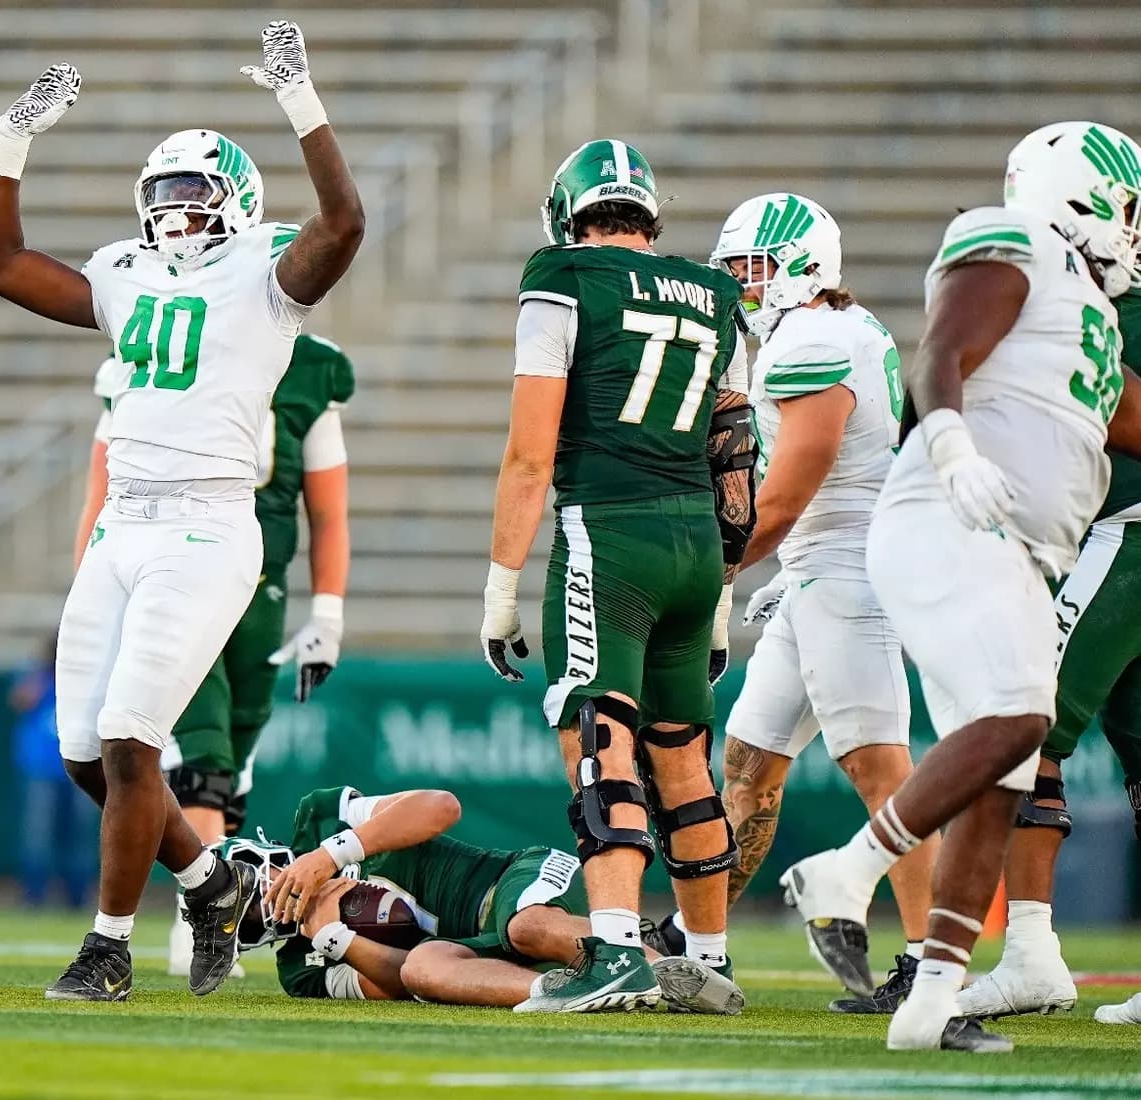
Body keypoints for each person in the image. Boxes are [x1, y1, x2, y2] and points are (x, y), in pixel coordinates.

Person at [0, 21, 363, 1000]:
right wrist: (10, 138)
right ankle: (208, 876)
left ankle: (108, 946)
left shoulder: (268, 275)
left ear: (234, 202)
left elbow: (344, 225)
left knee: (131, 736)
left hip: (208, 523)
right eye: (164, 195)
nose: (176, 212)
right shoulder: (122, 273)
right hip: (123, 525)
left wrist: (299, 104)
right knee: (83, 757)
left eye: (193, 194)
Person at [781, 121, 1141, 1053]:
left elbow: (1132, 415)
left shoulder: (1093, 317)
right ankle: (846, 872)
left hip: (1019, 551)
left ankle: (931, 1002)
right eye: (1128, 205)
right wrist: (948, 445)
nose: (1134, 228)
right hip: (954, 517)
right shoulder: (1013, 239)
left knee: (1004, 776)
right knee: (1023, 717)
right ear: (1078, 191)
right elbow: (937, 350)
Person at [477, 139, 754, 1013]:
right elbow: (736, 455)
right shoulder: (715, 294)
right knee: (684, 758)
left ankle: (617, 956)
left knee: (600, 744)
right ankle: (709, 958)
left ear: (570, 210)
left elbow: (529, 455)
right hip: (696, 549)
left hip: (610, 535)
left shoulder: (562, 276)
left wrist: (500, 586)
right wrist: (722, 600)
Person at [647, 193, 940, 1013]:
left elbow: (780, 500)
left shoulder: (812, 340)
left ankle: (931, 960)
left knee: (885, 775)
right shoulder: (836, 331)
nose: (742, 284)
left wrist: (709, 574)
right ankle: (696, 941)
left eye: (755, 268)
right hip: (819, 570)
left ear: (801, 266)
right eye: (734, 268)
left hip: (849, 575)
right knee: (746, 769)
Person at [74, 330, 354, 977]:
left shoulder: (310, 366)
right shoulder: (159, 343)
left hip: (261, 583)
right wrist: (99, 592)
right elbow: (103, 493)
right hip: (174, 570)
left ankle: (208, 904)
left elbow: (328, 510)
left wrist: (329, 613)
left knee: (234, 758)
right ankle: (198, 921)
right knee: (201, 758)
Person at [956, 287, 1141, 1023]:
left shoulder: (1095, 301)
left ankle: (1031, 953)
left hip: (1124, 532)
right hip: (1116, 531)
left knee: (1016, 722)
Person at [257, 785, 739, 1012]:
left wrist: (330, 854)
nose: (261, 895)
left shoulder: (319, 820)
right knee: (423, 969)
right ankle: (565, 994)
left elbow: (441, 807)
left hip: (514, 879)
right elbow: (398, 985)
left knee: (525, 928)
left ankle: (663, 973)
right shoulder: (299, 969)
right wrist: (334, 937)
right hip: (482, 953)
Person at [14, 637, 93, 909]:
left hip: (80, 768)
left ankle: (78, 897)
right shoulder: (37, 677)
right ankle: (34, 896)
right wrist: (44, 673)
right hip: (43, 769)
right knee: (39, 836)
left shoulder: (85, 679)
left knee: (79, 837)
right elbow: (20, 700)